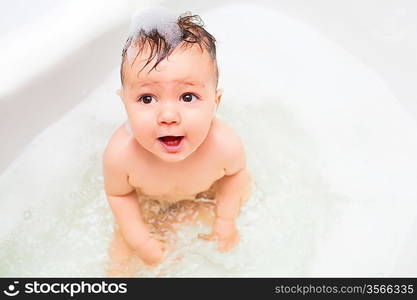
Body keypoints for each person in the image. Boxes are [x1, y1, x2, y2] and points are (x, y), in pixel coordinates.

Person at [103, 8, 251, 277]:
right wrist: (140, 240)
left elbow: (235, 176)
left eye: (187, 97)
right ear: (124, 102)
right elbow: (120, 195)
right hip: (148, 201)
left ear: (215, 102)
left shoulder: (224, 145)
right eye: (147, 98)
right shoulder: (121, 155)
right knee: (120, 256)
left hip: (204, 195)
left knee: (227, 206)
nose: (168, 116)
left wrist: (225, 219)